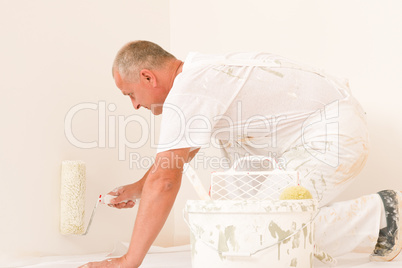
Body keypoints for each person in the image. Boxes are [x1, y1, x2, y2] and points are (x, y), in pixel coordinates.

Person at [80, 41, 402, 267]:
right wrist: (138, 188)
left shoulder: (188, 90)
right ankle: (380, 219)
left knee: (261, 233)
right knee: (243, 224)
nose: (134, 105)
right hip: (322, 127)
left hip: (331, 133)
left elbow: (166, 179)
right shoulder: (199, 76)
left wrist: (128, 261)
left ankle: (381, 215)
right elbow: (178, 157)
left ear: (148, 77)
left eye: (131, 94)